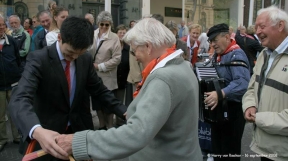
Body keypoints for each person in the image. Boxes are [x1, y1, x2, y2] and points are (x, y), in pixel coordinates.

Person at [56, 17, 202, 161]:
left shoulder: (162, 78)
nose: (135, 57)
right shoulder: (182, 66)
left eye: (134, 51)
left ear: (148, 47)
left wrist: (79, 142)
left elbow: (136, 133)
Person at [8, 16, 127, 161]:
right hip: (48, 136)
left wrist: (125, 112)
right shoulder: (39, 59)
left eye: (79, 53)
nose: (74, 58)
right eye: (70, 53)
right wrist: (37, 131)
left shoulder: (85, 59)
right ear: (59, 37)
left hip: (77, 133)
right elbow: (20, 98)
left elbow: (99, 90)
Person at [242, 6, 288, 161]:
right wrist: (249, 105)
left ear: (280, 26)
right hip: (264, 147)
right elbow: (252, 87)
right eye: (256, 27)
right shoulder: (264, 54)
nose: (257, 32)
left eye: (262, 26)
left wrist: (259, 118)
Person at [205, 23, 250, 161]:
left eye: (215, 40)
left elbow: (242, 83)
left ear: (226, 37)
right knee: (218, 150)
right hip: (219, 110)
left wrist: (220, 93)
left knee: (229, 152)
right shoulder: (219, 54)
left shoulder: (236, 53)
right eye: (210, 41)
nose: (212, 44)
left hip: (233, 111)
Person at [89, 11, 121, 130]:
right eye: (101, 24)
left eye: (107, 25)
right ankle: (101, 126)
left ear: (110, 25)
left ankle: (110, 126)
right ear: (98, 23)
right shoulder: (92, 34)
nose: (104, 27)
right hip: (93, 76)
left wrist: (100, 66)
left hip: (107, 76)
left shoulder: (114, 37)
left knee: (108, 103)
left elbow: (117, 58)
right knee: (97, 104)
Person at [0, 15, 22, 152]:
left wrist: (16, 73)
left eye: (2, 24)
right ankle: (2, 139)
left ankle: (18, 136)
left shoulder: (12, 41)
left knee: (16, 112)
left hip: (13, 82)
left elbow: (18, 60)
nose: (1, 27)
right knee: (1, 115)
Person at [115, 24, 130, 126]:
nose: (122, 34)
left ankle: (119, 122)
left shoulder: (128, 48)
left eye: (124, 33)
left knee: (120, 101)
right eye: (120, 32)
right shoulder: (113, 45)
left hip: (123, 78)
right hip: (112, 78)